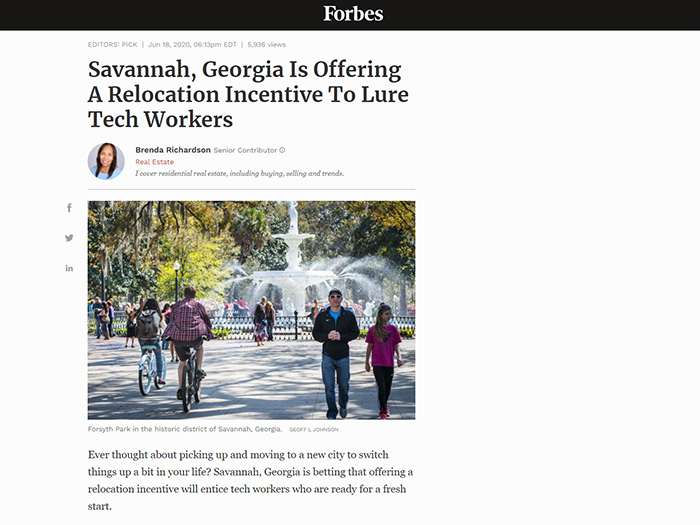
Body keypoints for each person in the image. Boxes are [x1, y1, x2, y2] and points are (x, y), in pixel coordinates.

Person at [312, 288, 360, 419]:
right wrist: (327, 336)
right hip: (327, 355)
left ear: (342, 299)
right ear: (329, 299)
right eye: (332, 296)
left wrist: (341, 337)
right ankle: (331, 412)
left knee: (344, 386)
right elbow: (315, 334)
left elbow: (355, 333)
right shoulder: (323, 316)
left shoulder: (348, 315)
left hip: (343, 355)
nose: (335, 299)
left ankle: (343, 405)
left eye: (338, 296)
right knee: (329, 387)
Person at [162, 286, 214, 401]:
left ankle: (181, 388)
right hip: (195, 337)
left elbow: (172, 319)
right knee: (199, 348)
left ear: (184, 295)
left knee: (182, 362)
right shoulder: (198, 305)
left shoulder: (176, 305)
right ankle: (199, 369)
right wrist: (209, 329)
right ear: (194, 295)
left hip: (179, 338)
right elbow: (206, 318)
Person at [364, 303, 403, 419]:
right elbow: (369, 347)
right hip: (377, 363)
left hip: (389, 363)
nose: (388, 316)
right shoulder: (373, 330)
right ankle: (382, 409)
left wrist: (399, 357)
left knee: (387, 387)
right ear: (380, 315)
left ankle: (385, 405)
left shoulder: (393, 329)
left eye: (390, 314)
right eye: (386, 314)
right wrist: (366, 362)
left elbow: (396, 345)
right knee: (381, 386)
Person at [135, 297, 166, 385]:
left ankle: (143, 366)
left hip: (142, 339)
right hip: (154, 339)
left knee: (144, 352)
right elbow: (164, 327)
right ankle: (159, 377)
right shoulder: (157, 314)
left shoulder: (141, 313)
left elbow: (136, 323)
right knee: (158, 356)